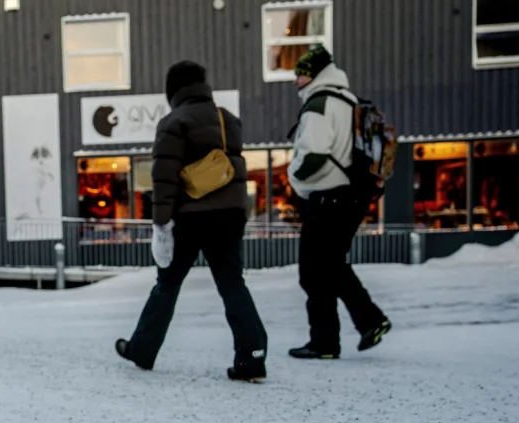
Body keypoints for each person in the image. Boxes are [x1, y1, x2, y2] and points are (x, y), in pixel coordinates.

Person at [115, 61, 268, 382]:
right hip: (228, 215)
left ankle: (142, 349)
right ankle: (252, 355)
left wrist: (160, 225)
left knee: (167, 285)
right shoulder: (229, 121)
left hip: (190, 217)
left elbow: (164, 179)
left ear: (174, 91)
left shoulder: (174, 122)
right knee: (232, 283)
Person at [286, 46, 391, 359]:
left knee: (313, 269)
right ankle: (359, 326)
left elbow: (313, 155)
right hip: (353, 196)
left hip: (328, 197)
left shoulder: (320, 104)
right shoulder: (348, 101)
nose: (296, 80)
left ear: (316, 73)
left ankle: (330, 339)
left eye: (301, 73)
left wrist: (294, 180)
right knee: (330, 265)